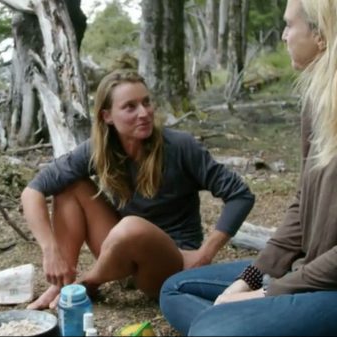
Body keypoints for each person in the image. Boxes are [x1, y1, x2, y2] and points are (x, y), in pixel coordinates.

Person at [159, 0, 337, 335]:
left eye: (289, 25)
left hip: (329, 289)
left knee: (212, 329)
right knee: (174, 290)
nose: (284, 35)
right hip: (305, 274)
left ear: (321, 35)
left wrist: (269, 293)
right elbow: (302, 206)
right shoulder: (318, 104)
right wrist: (249, 280)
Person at [21, 68, 255, 310]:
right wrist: (51, 250)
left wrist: (205, 253)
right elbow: (32, 192)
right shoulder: (100, 150)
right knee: (69, 186)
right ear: (107, 116)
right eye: (130, 107)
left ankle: (85, 284)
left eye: (146, 103)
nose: (144, 113)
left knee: (131, 227)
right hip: (122, 254)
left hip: (169, 264)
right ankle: (63, 283)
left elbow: (240, 195)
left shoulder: (180, 146)